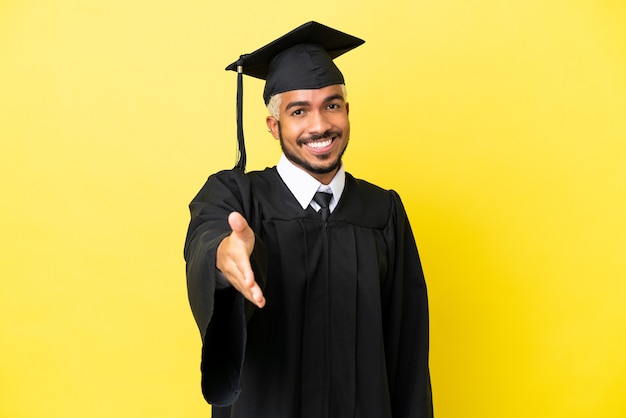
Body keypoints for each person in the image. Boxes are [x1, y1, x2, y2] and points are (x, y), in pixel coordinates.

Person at [184, 21, 433, 418]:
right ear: (273, 125)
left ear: (347, 111)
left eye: (331, 105)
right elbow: (207, 235)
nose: (320, 126)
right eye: (299, 111)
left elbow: (408, 350)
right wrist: (223, 255)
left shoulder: (382, 212)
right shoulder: (238, 198)